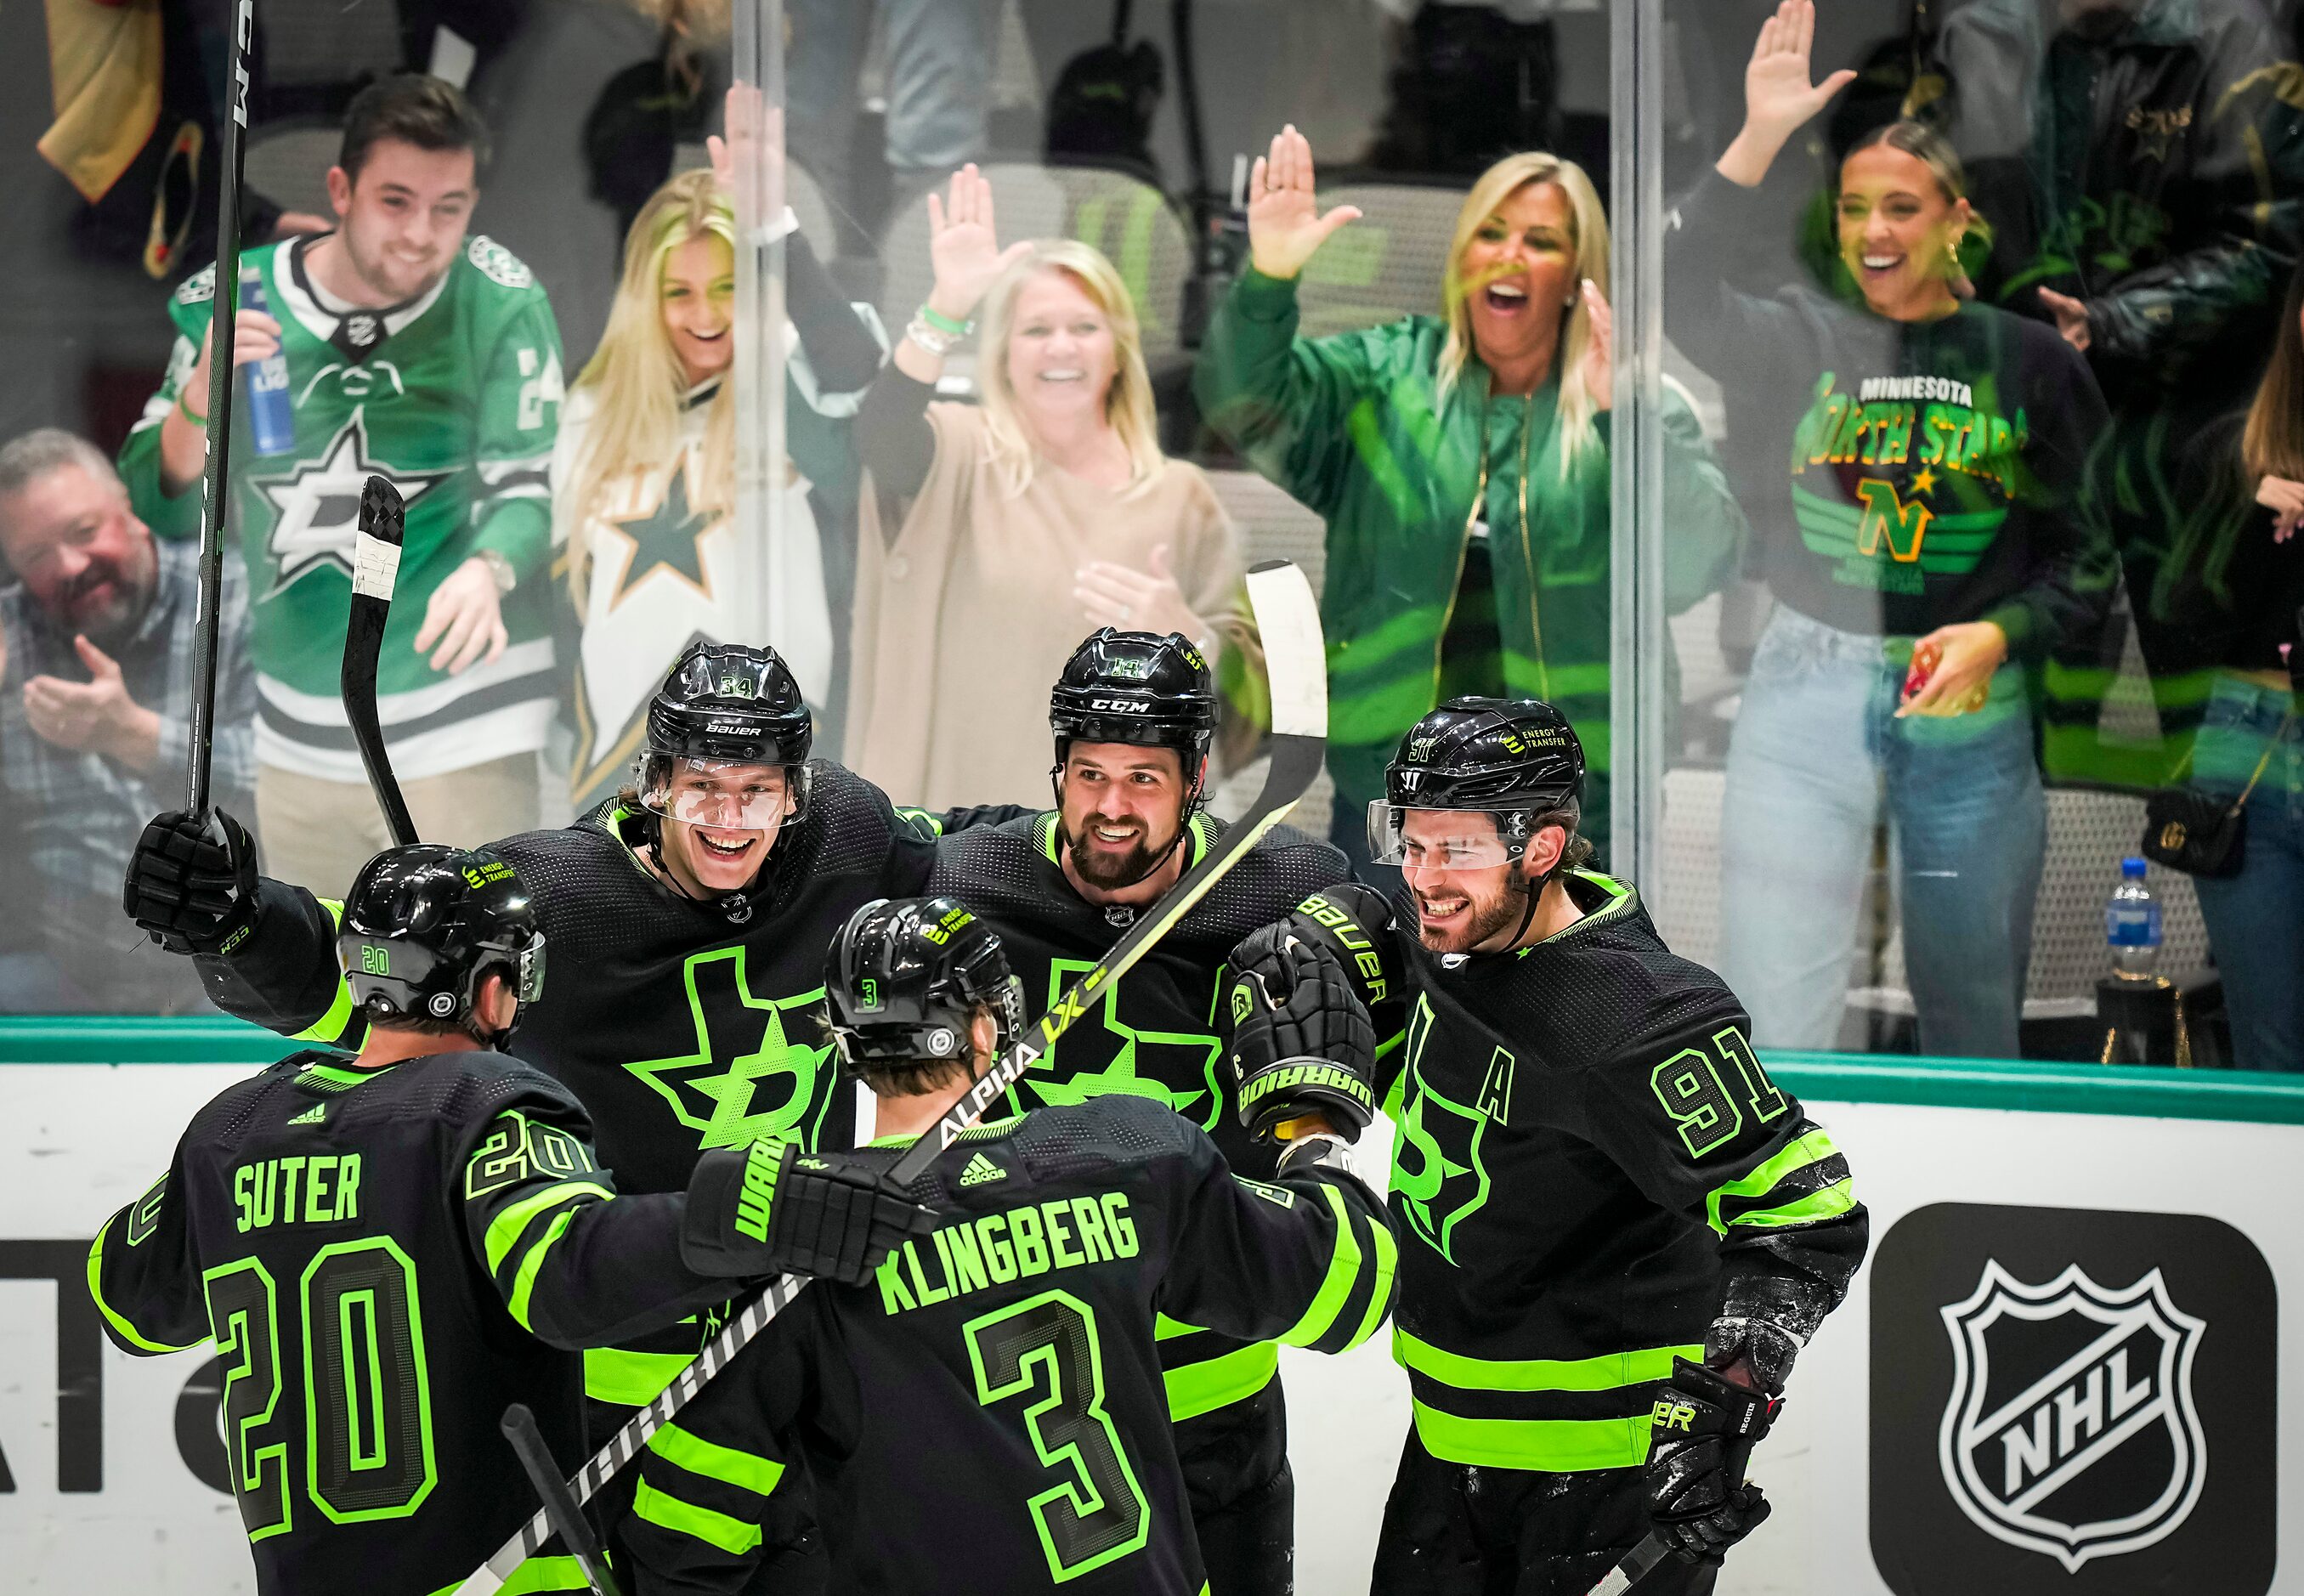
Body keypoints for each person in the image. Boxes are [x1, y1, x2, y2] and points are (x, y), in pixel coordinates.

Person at [121, 641, 943, 1584]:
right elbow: (374, 971)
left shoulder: (853, 839)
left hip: (793, 1346)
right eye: (701, 788)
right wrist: (240, 920)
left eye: (757, 790)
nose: (729, 818)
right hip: (604, 1374)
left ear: (795, 790)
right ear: (652, 782)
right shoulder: (546, 895)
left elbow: (992, 859)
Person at [621, 893, 1398, 1593]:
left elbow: (684, 1528)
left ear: (842, 1044)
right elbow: (1345, 1289)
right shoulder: (1133, 1151)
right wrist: (1311, 1132)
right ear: (991, 1026)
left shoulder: (804, 1247)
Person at [1667, 1, 2118, 1058]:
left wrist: (2000, 634)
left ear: (1955, 222)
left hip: (1965, 701)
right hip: (1802, 693)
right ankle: (1784, 1219)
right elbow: (1676, 292)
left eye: (1902, 207)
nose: (1873, 230)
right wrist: (1755, 140)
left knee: (1970, 1022)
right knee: (1773, 1019)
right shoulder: (1799, 337)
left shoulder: (2031, 362)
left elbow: (2094, 558)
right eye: (1854, 206)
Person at [1341, 697, 1868, 1595]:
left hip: (1599, 1473)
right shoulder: (1453, 938)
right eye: (1410, 842)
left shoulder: (1636, 1016)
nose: (1422, 877)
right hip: (1444, 1444)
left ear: (1539, 849)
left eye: (1455, 848)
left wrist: (1723, 1412)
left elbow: (1807, 1212)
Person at [926, 625, 1400, 1596]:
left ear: (1193, 780)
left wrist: (1374, 940)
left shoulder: (1286, 894)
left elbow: (1440, 972)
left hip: (1210, 1399)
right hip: (1009, 1386)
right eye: (1089, 773)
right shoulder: (965, 876)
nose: (1109, 808)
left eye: (1143, 779)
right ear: (1055, 768)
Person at [1195, 126, 1746, 871]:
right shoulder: (1385, 378)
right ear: (1462, 258)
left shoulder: (1635, 402)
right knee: (1376, 987)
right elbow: (1242, 405)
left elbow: (1694, 567)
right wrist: (1268, 279)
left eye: (1541, 240)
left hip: (1570, 802)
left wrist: (1623, 417)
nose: (1509, 254)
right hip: (1393, 787)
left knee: (1557, 992)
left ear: (1579, 273)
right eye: (1489, 233)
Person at [116, 73, 565, 896]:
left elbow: (530, 489)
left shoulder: (498, 299)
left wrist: (488, 567)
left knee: (470, 989)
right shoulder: (233, 298)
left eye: (449, 208)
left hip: (463, 721)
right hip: (294, 733)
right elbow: (157, 504)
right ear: (339, 191)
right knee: (324, 992)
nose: (420, 234)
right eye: (395, 202)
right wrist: (199, 396)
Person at [1914, 0, 2304, 748]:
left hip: (2190, 420)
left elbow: (2276, 236)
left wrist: (2114, 321)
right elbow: (1916, 191)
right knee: (1999, 716)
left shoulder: (2229, 31)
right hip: (2017, 411)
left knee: (2207, 720)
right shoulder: (1982, 31)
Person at [846, 167, 1262, 810]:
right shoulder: (963, 455)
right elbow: (882, 437)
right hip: (954, 836)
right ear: (1003, 355)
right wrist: (947, 306)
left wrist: (1189, 640)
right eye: (1035, 330)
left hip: (1108, 855)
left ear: (1119, 350)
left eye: (1084, 328)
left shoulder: (1181, 498)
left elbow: (1253, 711)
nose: (1059, 348)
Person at [552, 158, 883, 809]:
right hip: (626, 746)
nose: (705, 314)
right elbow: (571, 589)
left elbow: (857, 382)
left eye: (729, 287)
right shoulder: (595, 407)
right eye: (678, 292)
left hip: (778, 744)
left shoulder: (794, 385)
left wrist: (773, 232)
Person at [2104, 253, 2304, 1070]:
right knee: (2269, 1040)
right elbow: (2177, 643)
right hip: (2247, 748)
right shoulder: (2229, 454)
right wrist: (2244, 525)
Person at [0, 429, 252, 1012]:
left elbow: (299, 782)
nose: (70, 565)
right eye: (37, 555)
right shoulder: (15, 635)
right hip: (68, 975)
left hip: (229, 968)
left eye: (84, 532)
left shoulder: (231, 602)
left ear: (129, 508)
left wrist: (131, 735)